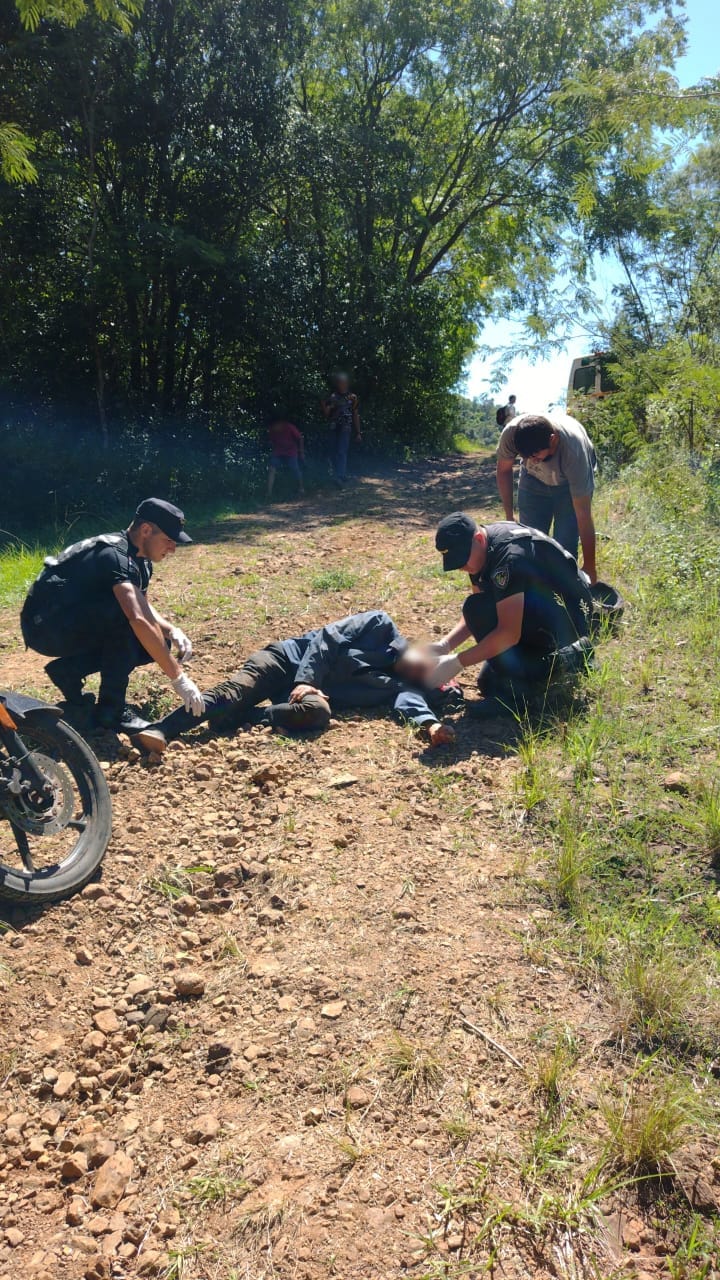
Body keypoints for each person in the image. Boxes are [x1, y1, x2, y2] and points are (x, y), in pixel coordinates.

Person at [131, 610, 460, 754]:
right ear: (422, 649)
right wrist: (306, 680)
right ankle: (162, 729)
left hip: (305, 697)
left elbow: (409, 702)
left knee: (317, 714)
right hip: (284, 660)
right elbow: (327, 640)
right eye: (422, 667)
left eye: (421, 678)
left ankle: (243, 717)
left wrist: (430, 726)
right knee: (236, 691)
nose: (415, 674)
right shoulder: (379, 624)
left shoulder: (397, 684)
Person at [20, 499, 206, 733]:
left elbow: (142, 605)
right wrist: (178, 678)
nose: (172, 548)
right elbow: (137, 617)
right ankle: (112, 711)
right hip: (44, 627)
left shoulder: (139, 559)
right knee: (131, 623)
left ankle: (69, 670)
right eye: (169, 540)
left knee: (158, 640)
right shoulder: (114, 554)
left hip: (68, 623)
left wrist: (171, 630)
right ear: (146, 530)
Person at [425, 512, 593, 716]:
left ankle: (559, 665)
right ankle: (542, 668)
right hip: (540, 609)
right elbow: (481, 609)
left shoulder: (509, 557)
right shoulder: (481, 549)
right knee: (488, 681)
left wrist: (457, 661)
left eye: (462, 561)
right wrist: (446, 645)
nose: (462, 568)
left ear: (478, 539)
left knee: (504, 673)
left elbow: (508, 633)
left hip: (567, 619)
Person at [496, 411, 598, 581]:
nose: (531, 460)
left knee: (564, 544)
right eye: (525, 457)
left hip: (567, 485)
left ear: (553, 440)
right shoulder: (511, 434)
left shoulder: (573, 451)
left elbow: (583, 515)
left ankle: (565, 589)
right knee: (530, 540)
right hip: (533, 480)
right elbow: (504, 470)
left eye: (535, 455)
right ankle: (536, 589)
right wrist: (509, 516)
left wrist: (590, 566)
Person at [320, 372, 361, 484]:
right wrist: (325, 405)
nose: (342, 384)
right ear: (337, 383)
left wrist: (358, 432)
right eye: (340, 382)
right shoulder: (332, 397)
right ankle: (336, 474)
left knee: (342, 451)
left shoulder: (353, 397)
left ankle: (340, 475)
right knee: (333, 451)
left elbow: (356, 414)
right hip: (333, 427)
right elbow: (327, 414)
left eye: (344, 382)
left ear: (347, 383)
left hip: (346, 428)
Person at [267, 415, 305, 500]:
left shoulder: (289, 426)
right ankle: (269, 494)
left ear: (279, 423)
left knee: (295, 469)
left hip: (291, 452)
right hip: (278, 452)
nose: (274, 428)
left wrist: (301, 452)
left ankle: (301, 489)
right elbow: (271, 441)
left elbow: (300, 438)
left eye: (275, 426)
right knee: (271, 469)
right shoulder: (271, 429)